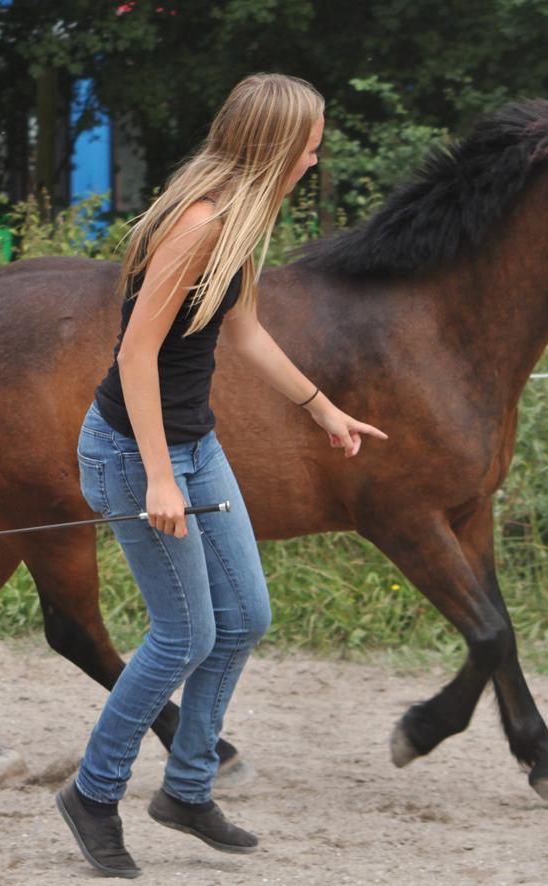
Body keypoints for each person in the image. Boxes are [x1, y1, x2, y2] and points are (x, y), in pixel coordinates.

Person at [58, 72, 388, 878]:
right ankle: (92, 796)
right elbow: (134, 353)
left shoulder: (240, 220)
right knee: (185, 634)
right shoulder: (198, 223)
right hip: (135, 453)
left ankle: (186, 790)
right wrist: (160, 479)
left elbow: (241, 333)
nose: (315, 155)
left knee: (244, 616)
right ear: (276, 144)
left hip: (193, 446)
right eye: (309, 140)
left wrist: (322, 408)